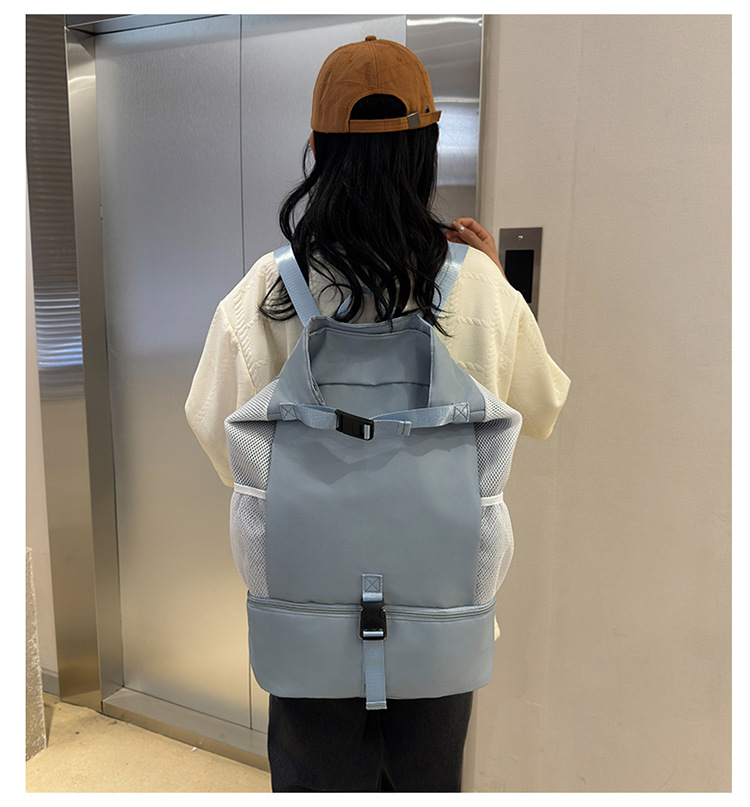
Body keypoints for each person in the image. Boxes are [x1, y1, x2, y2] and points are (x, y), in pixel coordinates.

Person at [185, 35, 569, 793]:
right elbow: (542, 408)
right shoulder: (477, 287)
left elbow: (219, 439)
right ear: (427, 149)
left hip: (304, 614)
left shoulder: (267, 290)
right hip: (443, 613)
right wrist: (498, 285)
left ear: (317, 148)